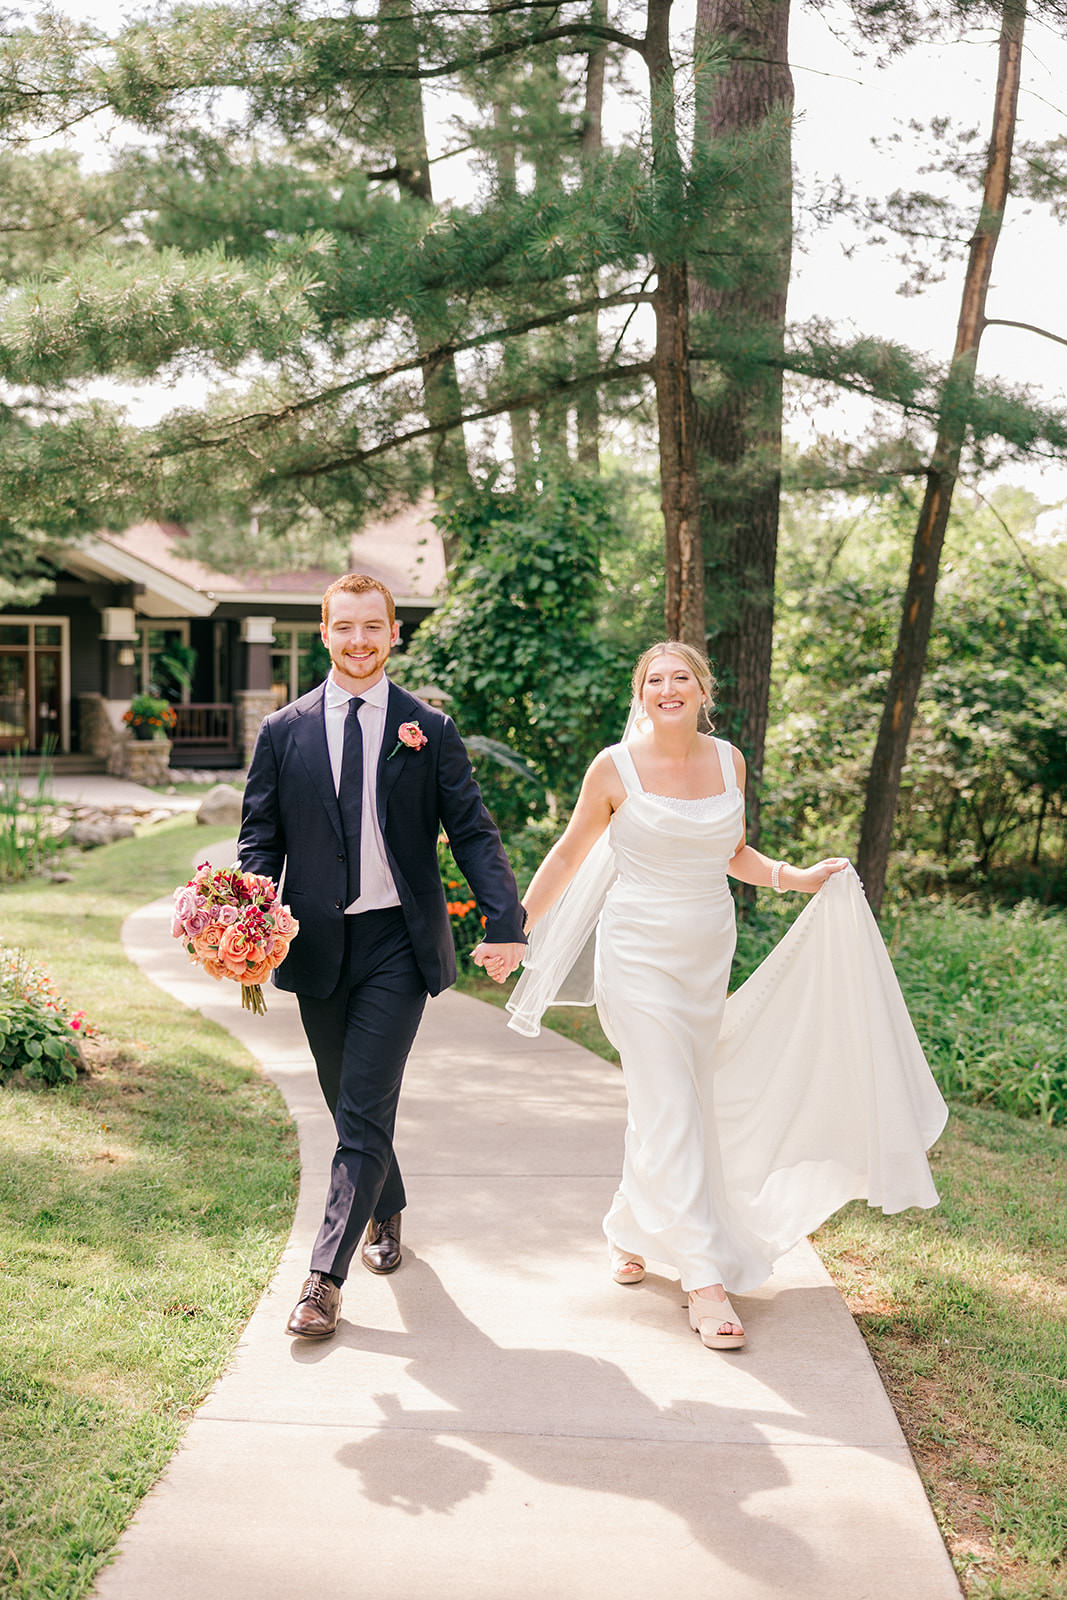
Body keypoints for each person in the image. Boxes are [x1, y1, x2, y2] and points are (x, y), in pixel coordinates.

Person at [503, 641, 947, 1352]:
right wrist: (513, 926)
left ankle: (628, 1223)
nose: (668, 688)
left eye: (682, 678)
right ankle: (704, 1277)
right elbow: (569, 852)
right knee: (670, 1099)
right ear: (640, 693)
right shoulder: (611, 769)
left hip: (705, 953)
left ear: (702, 690)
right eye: (655, 680)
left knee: (674, 1097)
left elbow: (731, 851)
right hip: (636, 953)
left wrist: (794, 877)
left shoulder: (727, 760)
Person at [238, 574, 526, 1340]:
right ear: (323, 634)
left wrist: (506, 918)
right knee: (347, 1102)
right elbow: (260, 840)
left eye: (374, 627)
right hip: (316, 944)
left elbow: (470, 830)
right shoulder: (283, 731)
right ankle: (387, 1207)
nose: (359, 641)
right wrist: (243, 921)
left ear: (394, 633)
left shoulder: (427, 727)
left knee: (361, 1108)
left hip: (399, 942)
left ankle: (321, 1280)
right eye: (344, 628)